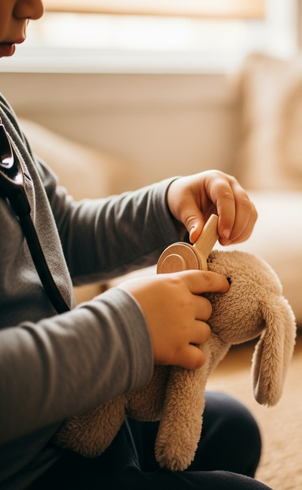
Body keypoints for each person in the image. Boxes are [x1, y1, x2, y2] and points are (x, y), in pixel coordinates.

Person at [0, 0, 271, 488]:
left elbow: (58, 233)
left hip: (69, 414)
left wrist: (166, 205)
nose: (34, 8)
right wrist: (126, 330)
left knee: (235, 427)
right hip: (25, 469)